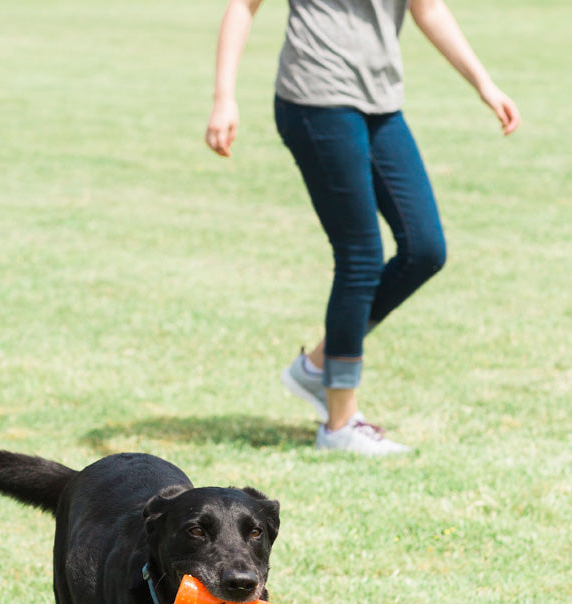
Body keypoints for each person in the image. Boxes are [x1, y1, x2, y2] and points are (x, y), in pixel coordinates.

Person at [205, 0, 520, 455]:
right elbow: (242, 6)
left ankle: (317, 366)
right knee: (361, 257)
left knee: (424, 249)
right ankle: (338, 425)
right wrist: (224, 97)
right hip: (316, 97)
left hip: (381, 101)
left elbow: (427, 8)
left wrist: (483, 83)